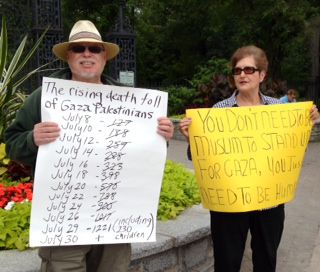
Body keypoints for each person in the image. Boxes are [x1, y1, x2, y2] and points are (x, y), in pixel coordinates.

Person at [5, 20, 174, 272]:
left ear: (104, 56)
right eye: (78, 48)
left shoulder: (130, 100)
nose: (87, 53)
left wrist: (162, 136)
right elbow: (12, 144)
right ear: (68, 56)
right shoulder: (44, 97)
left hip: (115, 220)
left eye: (94, 49)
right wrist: (32, 139)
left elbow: (146, 154)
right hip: (64, 220)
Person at [179, 45, 320, 272]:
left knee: (266, 258)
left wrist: (306, 125)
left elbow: (291, 152)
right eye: (237, 71)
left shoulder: (278, 109)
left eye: (248, 69)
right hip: (229, 202)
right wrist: (191, 140)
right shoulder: (218, 111)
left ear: (262, 75)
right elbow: (203, 158)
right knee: (227, 261)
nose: (242, 75)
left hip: (269, 200)